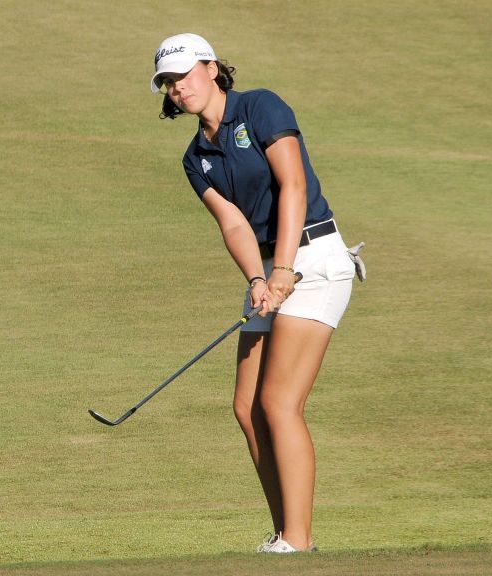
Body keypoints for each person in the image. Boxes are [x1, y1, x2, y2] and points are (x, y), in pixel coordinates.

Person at [151, 33, 359, 554]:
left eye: (185, 75)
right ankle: (284, 532)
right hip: (269, 268)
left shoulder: (260, 107)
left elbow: (293, 185)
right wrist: (259, 279)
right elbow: (235, 225)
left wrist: (285, 267)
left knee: (278, 402)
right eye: (169, 83)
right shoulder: (196, 156)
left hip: (312, 254)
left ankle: (299, 539)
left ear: (213, 67)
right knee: (246, 407)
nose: (179, 88)